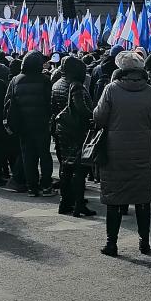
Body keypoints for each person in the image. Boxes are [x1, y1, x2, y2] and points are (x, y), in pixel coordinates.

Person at [93, 49, 151, 257]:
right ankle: (144, 243)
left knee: (114, 198)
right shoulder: (149, 90)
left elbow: (99, 117)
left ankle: (112, 244)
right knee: (142, 198)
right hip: (143, 148)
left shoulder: (111, 89)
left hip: (115, 149)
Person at [50, 55, 95, 217]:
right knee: (79, 169)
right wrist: (93, 117)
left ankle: (65, 202)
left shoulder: (56, 84)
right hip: (76, 131)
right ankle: (78, 204)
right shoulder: (75, 86)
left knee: (65, 167)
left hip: (62, 129)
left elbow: (53, 108)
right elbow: (81, 109)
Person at [4, 51, 53, 196]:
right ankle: (46, 186)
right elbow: (50, 102)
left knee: (27, 156)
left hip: (23, 125)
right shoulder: (44, 80)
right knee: (44, 155)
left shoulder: (15, 80)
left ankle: (32, 187)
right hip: (42, 124)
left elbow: (7, 103)